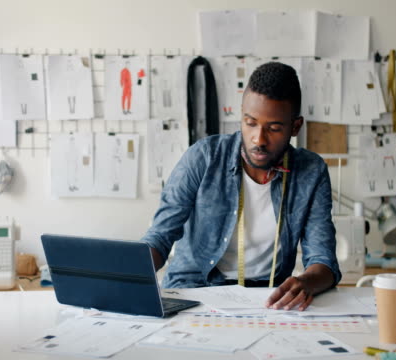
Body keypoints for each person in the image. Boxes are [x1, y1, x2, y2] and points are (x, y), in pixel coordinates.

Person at [142, 62, 341, 311]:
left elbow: (324, 261)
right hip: (193, 290)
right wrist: (128, 276)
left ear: (295, 126)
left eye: (274, 128)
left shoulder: (311, 172)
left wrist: (305, 283)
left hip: (267, 298)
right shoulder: (203, 157)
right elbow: (160, 236)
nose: (259, 139)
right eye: (250, 123)